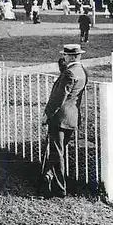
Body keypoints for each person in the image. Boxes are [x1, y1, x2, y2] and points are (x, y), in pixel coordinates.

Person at [41, 44, 88, 198]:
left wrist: (47, 114)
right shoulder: (83, 71)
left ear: (72, 57)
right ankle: (46, 180)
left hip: (59, 118)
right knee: (57, 152)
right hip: (72, 117)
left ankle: (60, 189)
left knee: (56, 154)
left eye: (66, 56)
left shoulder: (69, 73)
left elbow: (58, 98)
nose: (64, 58)